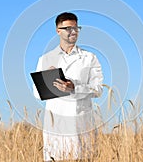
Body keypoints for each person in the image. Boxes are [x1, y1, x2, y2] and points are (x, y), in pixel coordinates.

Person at [33, 12, 104, 161]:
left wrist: (74, 88)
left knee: (82, 156)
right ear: (58, 30)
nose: (73, 32)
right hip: (55, 123)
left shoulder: (89, 58)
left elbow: (98, 89)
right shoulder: (45, 59)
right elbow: (37, 94)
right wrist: (47, 78)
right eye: (68, 28)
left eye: (76, 28)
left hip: (81, 120)